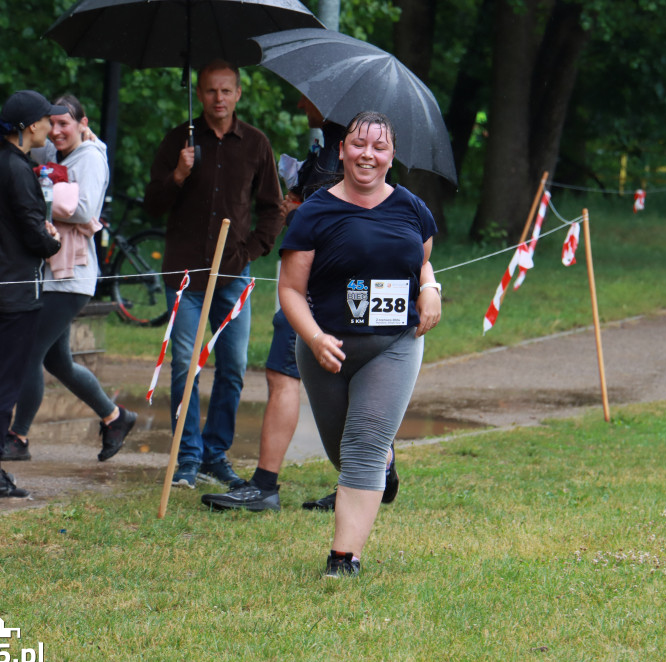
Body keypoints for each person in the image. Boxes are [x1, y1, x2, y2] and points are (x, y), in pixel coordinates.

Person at [277, 111, 442, 577]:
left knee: (363, 447)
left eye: (379, 147)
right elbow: (290, 289)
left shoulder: (412, 208)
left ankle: (343, 557)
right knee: (342, 452)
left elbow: (421, 264)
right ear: (344, 150)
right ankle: (386, 461)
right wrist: (314, 337)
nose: (367, 154)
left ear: (392, 156)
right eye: (358, 144)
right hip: (326, 348)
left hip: (394, 344)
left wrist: (431, 289)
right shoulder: (314, 212)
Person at [200, 95, 344, 511]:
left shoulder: (338, 153)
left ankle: (265, 487)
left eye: (307, 98)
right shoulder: (341, 147)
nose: (303, 105)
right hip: (334, 286)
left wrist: (295, 212)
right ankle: (374, 474)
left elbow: (328, 224)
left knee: (284, 375)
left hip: (313, 287)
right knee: (348, 384)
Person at [144, 59, 283, 490]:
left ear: (238, 94)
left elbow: (272, 208)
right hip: (185, 275)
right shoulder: (178, 141)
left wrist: (251, 251)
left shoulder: (256, 144)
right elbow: (151, 204)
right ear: (199, 93)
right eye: (210, 91)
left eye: (226, 91)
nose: (218, 99)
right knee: (185, 364)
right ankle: (186, 459)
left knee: (234, 366)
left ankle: (214, 455)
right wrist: (178, 175)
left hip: (233, 276)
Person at [3, 95, 137, 463]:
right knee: (57, 361)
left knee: (31, 352)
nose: (57, 131)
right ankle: (115, 417)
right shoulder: (55, 154)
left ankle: (19, 437)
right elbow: (26, 156)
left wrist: (44, 193)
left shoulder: (90, 158)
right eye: (53, 123)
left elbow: (84, 209)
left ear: (83, 123)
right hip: (51, 273)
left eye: (65, 124)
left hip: (72, 277)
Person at [0, 90, 65, 500]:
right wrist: (52, 241)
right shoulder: (18, 169)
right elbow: (31, 231)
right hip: (13, 293)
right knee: (3, 384)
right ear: (29, 127)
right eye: (47, 120)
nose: (52, 127)